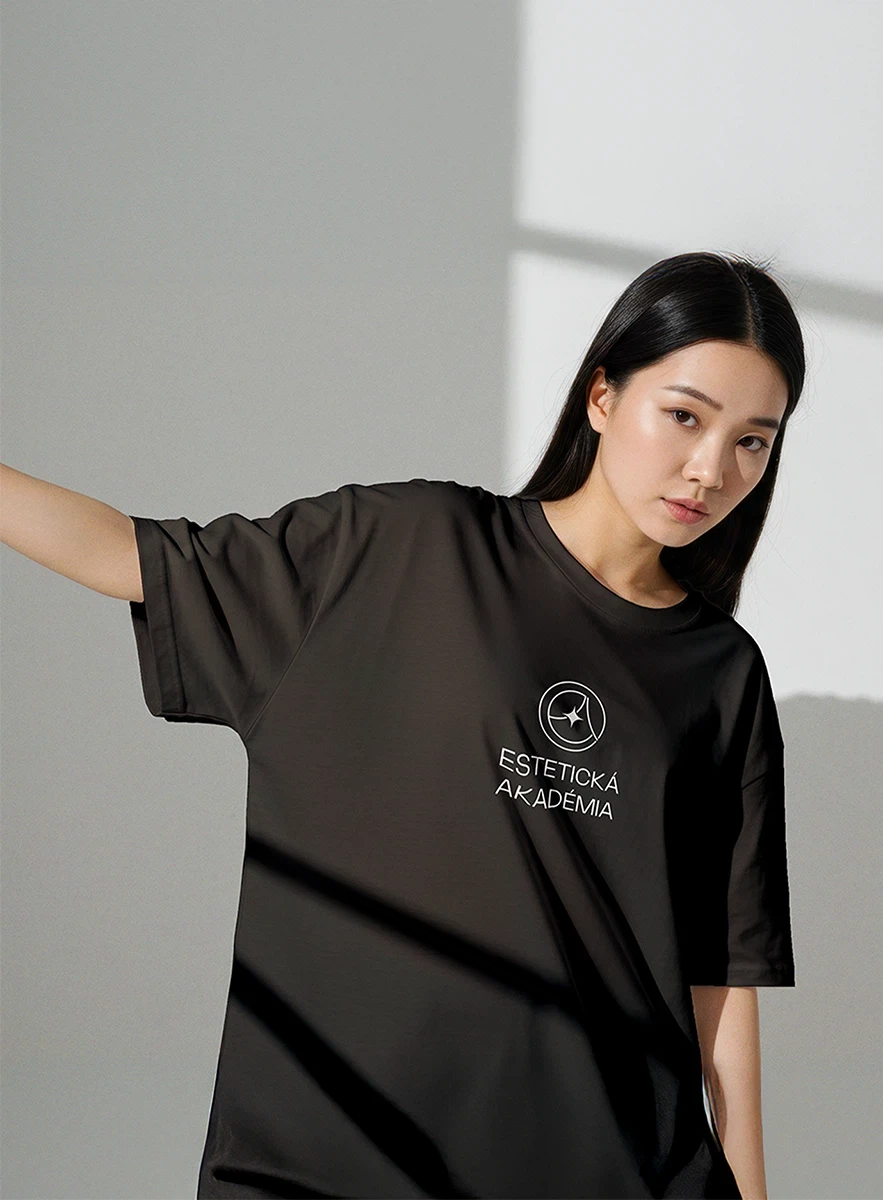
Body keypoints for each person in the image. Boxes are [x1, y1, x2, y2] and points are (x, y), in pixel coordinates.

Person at [2, 250, 806, 1200]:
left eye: (753, 441)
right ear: (602, 397)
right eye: (685, 416)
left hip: (604, 1167)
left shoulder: (722, 672)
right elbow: (131, 556)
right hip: (328, 1162)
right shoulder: (407, 547)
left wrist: (753, 1192)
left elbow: (722, 971)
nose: (711, 469)